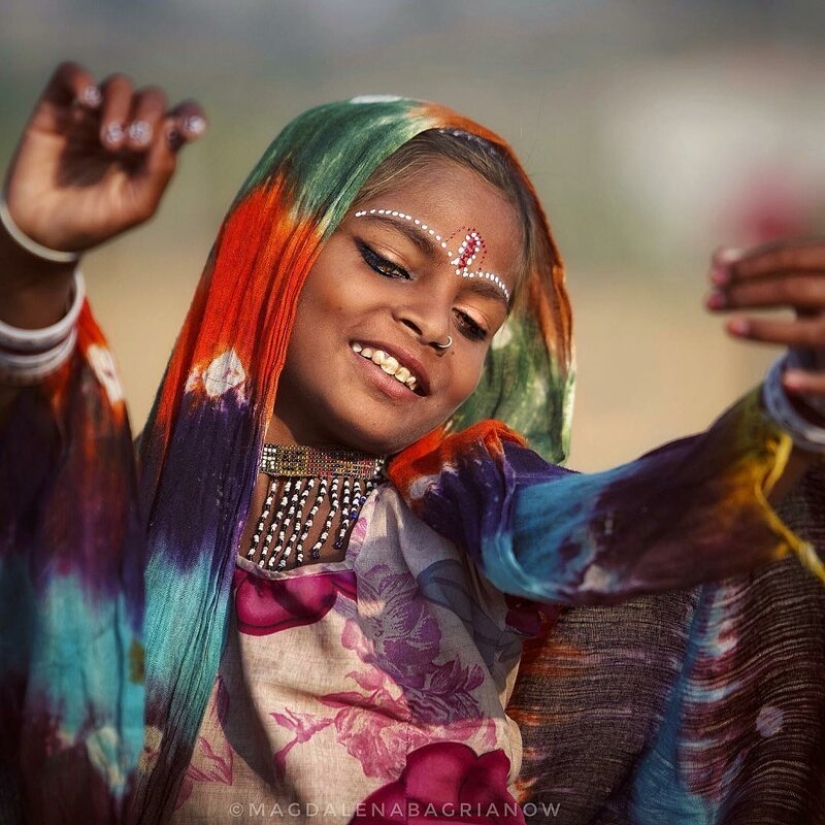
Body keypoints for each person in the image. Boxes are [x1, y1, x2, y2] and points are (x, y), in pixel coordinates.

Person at [1, 62, 824, 825]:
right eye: (389, 262)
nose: (432, 322)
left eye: (473, 322)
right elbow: (33, 463)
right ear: (278, 244)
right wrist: (35, 257)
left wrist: (793, 415)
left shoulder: (471, 498)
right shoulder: (127, 514)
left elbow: (628, 521)